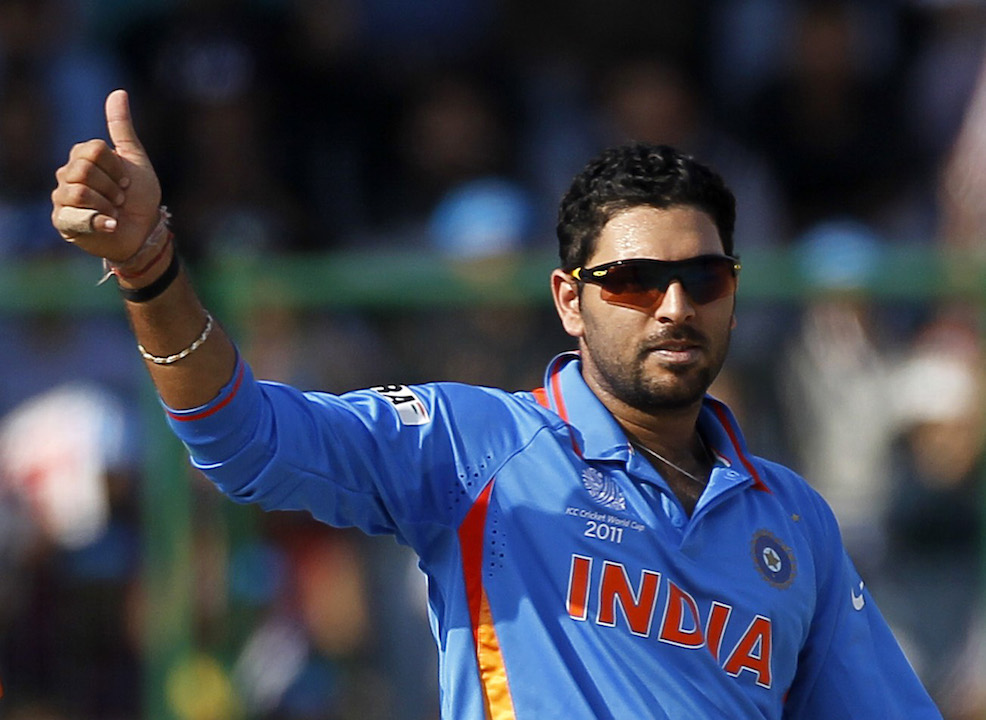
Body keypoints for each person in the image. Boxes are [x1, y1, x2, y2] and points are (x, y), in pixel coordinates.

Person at [51, 89, 942, 719]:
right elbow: (241, 440)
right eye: (632, 281)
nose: (674, 307)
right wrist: (151, 270)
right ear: (569, 300)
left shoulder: (795, 520)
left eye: (702, 277)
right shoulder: (475, 445)